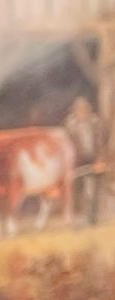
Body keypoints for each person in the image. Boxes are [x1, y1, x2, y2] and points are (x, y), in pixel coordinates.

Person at [64, 96, 106, 227]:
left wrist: (99, 158)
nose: (81, 112)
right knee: (79, 191)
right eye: (79, 110)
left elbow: (100, 142)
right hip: (78, 161)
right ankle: (80, 216)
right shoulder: (71, 124)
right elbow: (68, 143)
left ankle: (92, 217)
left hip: (93, 158)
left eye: (84, 109)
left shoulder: (95, 122)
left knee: (92, 190)